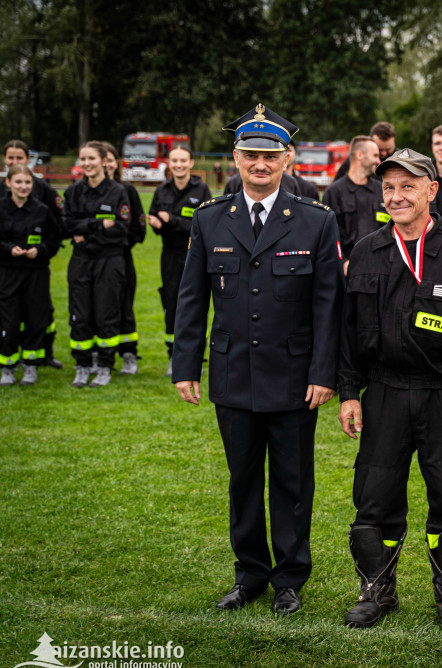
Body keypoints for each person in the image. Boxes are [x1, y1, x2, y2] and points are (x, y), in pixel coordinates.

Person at [172, 104, 342, 615]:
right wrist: (185, 365)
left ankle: (289, 578)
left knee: (292, 482)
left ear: (287, 159)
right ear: (236, 158)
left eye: (270, 155)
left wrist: (323, 372)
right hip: (233, 375)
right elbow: (190, 299)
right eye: (251, 155)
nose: (260, 164)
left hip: (294, 379)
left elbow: (328, 306)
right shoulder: (210, 219)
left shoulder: (315, 222)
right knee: (242, 480)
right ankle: (249, 575)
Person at [337, 148, 442, 632]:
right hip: (384, 392)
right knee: (374, 496)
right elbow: (347, 331)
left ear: (432, 191)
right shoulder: (367, 250)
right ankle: (377, 589)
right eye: (389, 187)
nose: (396, 196)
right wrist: (349, 391)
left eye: (408, 186)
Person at [63, 141, 130, 388]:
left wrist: (84, 230)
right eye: (83, 159)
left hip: (109, 261)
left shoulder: (117, 192)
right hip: (80, 261)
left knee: (106, 314)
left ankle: (104, 366)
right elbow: (66, 226)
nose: (87, 163)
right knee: (80, 315)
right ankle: (82, 365)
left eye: (91, 158)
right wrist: (98, 225)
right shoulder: (72, 193)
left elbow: (121, 230)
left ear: (104, 160)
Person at [148, 145, 212, 375]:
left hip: (195, 255)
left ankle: (197, 356)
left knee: (196, 304)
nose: (179, 165)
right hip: (170, 255)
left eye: (183, 160)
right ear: (169, 162)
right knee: (172, 304)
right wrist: (156, 224)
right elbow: (156, 219)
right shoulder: (161, 190)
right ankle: (173, 356)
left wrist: (172, 220)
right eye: (174, 160)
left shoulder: (201, 189)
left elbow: (205, 224)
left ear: (191, 163)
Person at [4, 140, 64, 369]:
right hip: (7, 268)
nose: (15, 162)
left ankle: (44, 354)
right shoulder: (2, 195)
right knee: (9, 315)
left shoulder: (43, 191)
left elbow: (59, 224)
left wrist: (42, 249)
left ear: (28, 159)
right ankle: (10, 357)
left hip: (36, 267)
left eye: (19, 158)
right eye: (11, 158)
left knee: (40, 312)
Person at [101, 142, 146, 376]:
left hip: (120, 259)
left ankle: (128, 354)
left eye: (110, 159)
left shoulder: (126, 190)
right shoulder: (86, 191)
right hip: (93, 260)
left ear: (115, 162)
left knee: (124, 305)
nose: (106, 164)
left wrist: (118, 243)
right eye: (103, 159)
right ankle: (98, 355)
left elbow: (139, 229)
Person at [322, 135, 384, 276]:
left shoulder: (382, 190)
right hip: (346, 272)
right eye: (375, 155)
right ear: (360, 155)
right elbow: (327, 235)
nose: (378, 161)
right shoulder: (334, 192)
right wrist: (343, 262)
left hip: (379, 271)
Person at [332, 121, 397, 183]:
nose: (384, 153)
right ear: (370, 141)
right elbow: (336, 186)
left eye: (388, 149)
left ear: (394, 141)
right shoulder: (356, 159)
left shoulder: (402, 159)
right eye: (379, 149)